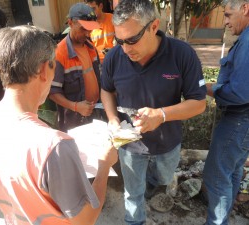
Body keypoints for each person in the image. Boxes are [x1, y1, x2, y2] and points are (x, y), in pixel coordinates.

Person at [0, 25, 118, 225]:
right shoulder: (53, 147)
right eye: (54, 65)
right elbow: (85, 220)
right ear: (42, 70)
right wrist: (103, 167)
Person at [100, 0, 207, 224]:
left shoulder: (182, 54)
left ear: (153, 26)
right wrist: (112, 119)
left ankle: (150, 182)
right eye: (119, 41)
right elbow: (106, 91)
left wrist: (162, 115)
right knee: (133, 194)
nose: (126, 49)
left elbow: (198, 103)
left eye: (132, 40)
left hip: (167, 142)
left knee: (163, 178)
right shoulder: (114, 58)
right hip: (129, 143)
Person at [203, 0, 249, 224]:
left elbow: (241, 92)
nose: (227, 22)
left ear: (245, 8)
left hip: (239, 119)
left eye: (229, 15)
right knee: (231, 172)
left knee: (216, 176)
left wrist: (205, 88)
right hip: (242, 122)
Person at [49, 3, 105, 132]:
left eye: (89, 30)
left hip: (96, 111)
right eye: (83, 29)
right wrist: (76, 107)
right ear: (70, 23)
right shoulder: (59, 54)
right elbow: (52, 92)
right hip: (74, 120)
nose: (87, 34)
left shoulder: (91, 48)